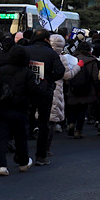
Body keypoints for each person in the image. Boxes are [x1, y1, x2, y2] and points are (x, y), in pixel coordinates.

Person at [0, 44, 35, 176]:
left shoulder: (0, 71)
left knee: (1, 138)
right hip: (20, 108)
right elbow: (33, 90)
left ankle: (1, 166)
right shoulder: (27, 73)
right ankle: (23, 162)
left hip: (1, 107)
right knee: (21, 137)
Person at [25, 29, 65, 167]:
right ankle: (41, 155)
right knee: (43, 124)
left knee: (25, 121)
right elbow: (60, 71)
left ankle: (22, 154)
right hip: (45, 91)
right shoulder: (51, 53)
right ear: (47, 39)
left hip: (26, 90)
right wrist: (49, 79)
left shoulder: (25, 50)